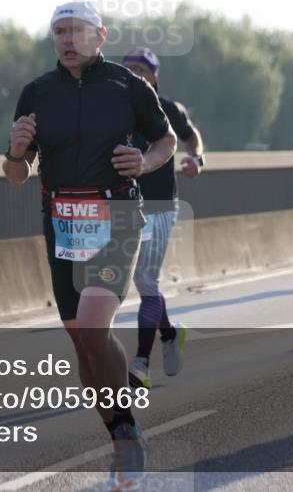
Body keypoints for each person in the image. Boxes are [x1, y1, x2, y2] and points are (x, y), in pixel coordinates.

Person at [3, 1, 176, 490]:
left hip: (117, 215)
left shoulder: (128, 85)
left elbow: (166, 141)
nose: (66, 38)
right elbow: (16, 175)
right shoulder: (36, 93)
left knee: (97, 326)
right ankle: (117, 430)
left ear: (100, 35)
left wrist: (144, 161)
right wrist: (16, 152)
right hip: (61, 222)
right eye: (59, 31)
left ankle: (126, 428)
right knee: (82, 340)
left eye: (76, 30)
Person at [120, 48, 204, 390]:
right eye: (127, 70)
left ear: (154, 76)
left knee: (144, 279)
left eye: (140, 69)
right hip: (121, 206)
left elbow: (190, 136)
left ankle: (140, 362)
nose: (133, 75)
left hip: (160, 207)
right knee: (133, 282)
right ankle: (169, 333)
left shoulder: (168, 109)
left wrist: (196, 158)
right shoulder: (113, 108)